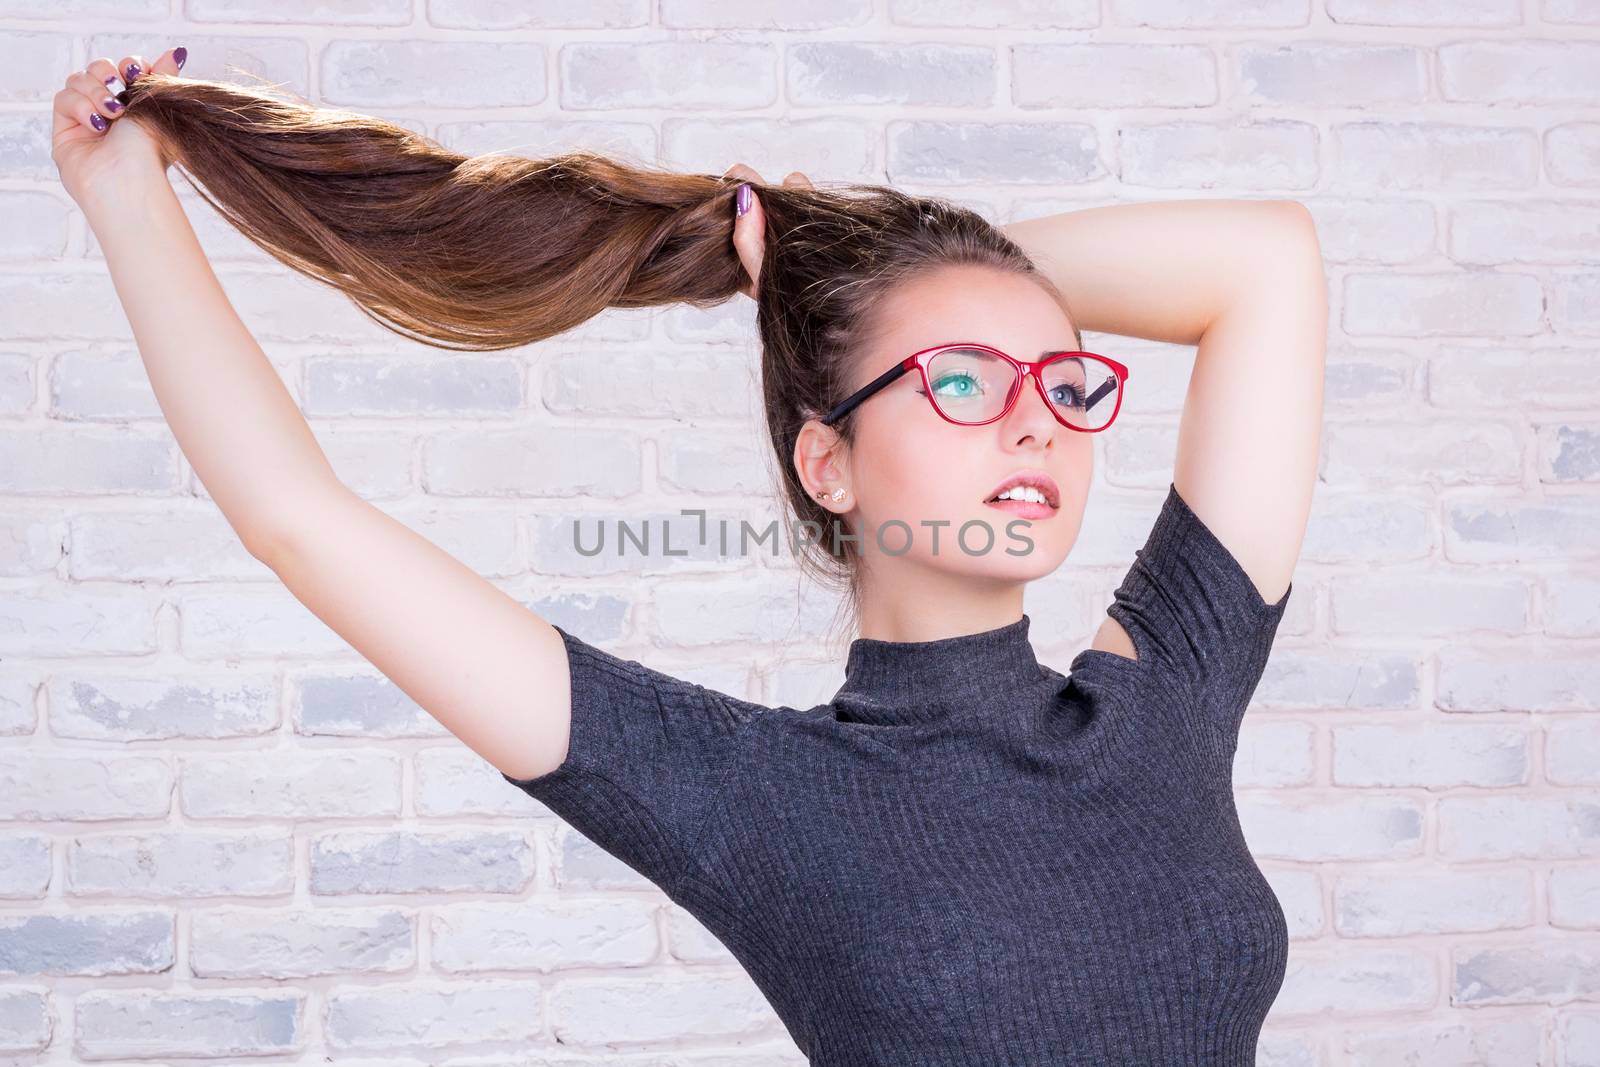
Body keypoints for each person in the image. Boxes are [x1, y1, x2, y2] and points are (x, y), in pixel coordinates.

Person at [51, 48, 1327, 1066]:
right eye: (961, 380)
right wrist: (126, 195)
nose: (1034, 414)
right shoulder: (752, 794)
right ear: (828, 465)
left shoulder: (1167, 693)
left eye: (1060, 376)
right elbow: (295, 514)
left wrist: (850, 269)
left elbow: (1268, 263)